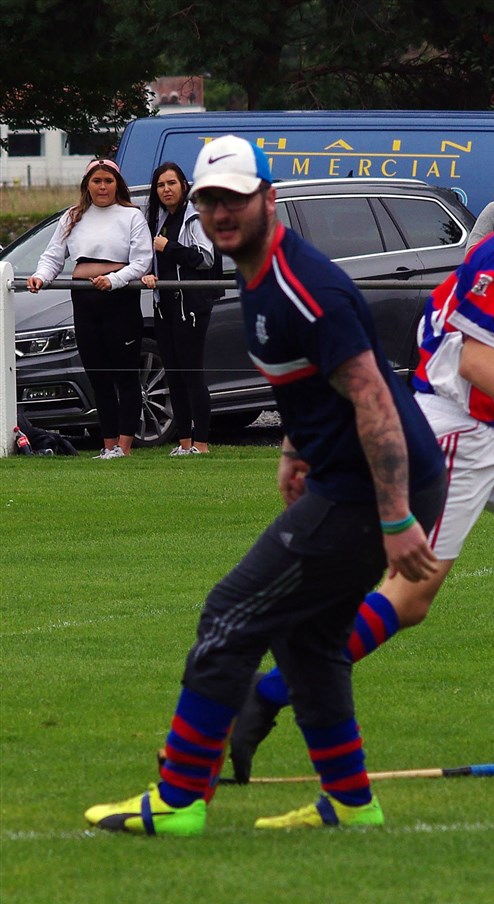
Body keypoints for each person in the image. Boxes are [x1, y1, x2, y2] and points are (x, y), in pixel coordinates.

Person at [223, 132, 494, 782]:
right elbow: (476, 358)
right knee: (408, 601)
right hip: (450, 431)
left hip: (480, 431)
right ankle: (260, 697)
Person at [84, 135, 447, 835]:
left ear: (268, 200)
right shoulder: (258, 272)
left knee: (230, 614)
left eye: (235, 199)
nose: (223, 213)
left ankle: (180, 799)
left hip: (371, 489)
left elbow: (373, 396)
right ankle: (350, 802)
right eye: (210, 201)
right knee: (308, 641)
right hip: (349, 478)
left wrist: (397, 519)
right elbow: (311, 381)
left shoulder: (302, 287)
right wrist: (293, 446)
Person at [27, 159, 152, 459]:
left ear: (117, 184)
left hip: (119, 299)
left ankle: (124, 446)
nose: (102, 187)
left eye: (108, 181)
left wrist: (114, 280)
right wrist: (40, 277)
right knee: (98, 375)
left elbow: (141, 261)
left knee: (125, 374)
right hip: (84, 299)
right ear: (87, 185)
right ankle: (108, 444)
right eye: (96, 181)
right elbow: (53, 256)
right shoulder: (73, 216)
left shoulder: (131, 216)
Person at [140, 161, 217, 455]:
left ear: (184, 185)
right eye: (160, 185)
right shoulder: (159, 219)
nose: (166, 190)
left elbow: (204, 258)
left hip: (192, 307)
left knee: (191, 374)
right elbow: (157, 259)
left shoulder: (195, 217)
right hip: (165, 307)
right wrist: (150, 274)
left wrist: (168, 248)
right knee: (173, 374)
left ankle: (202, 443)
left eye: (171, 183)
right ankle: (184, 443)